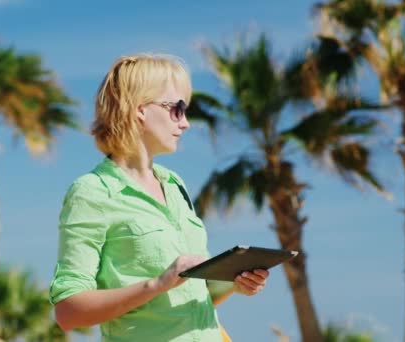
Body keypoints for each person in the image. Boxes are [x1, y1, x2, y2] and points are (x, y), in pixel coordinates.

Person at [49, 54, 270, 341]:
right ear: (139, 109)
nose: (186, 123)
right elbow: (69, 313)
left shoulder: (174, 185)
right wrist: (157, 284)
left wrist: (234, 284)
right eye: (177, 109)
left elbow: (185, 295)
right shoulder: (92, 192)